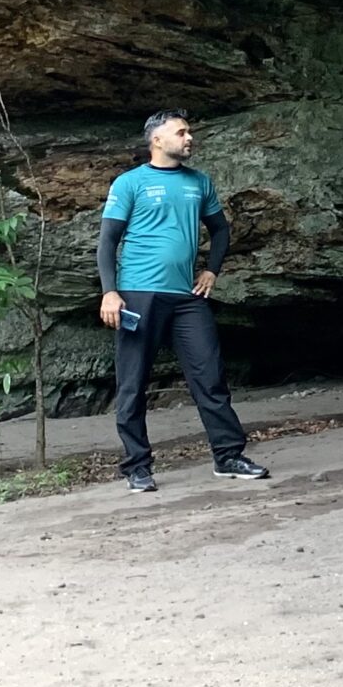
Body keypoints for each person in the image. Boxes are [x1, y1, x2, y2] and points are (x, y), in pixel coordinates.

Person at [98, 110, 271, 492]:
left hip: (186, 296)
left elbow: (220, 229)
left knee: (210, 376)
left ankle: (228, 456)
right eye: (181, 132)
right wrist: (110, 291)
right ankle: (137, 467)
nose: (189, 137)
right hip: (138, 294)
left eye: (189, 130)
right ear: (157, 140)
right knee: (132, 382)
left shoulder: (199, 182)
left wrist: (212, 270)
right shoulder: (130, 183)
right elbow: (108, 241)